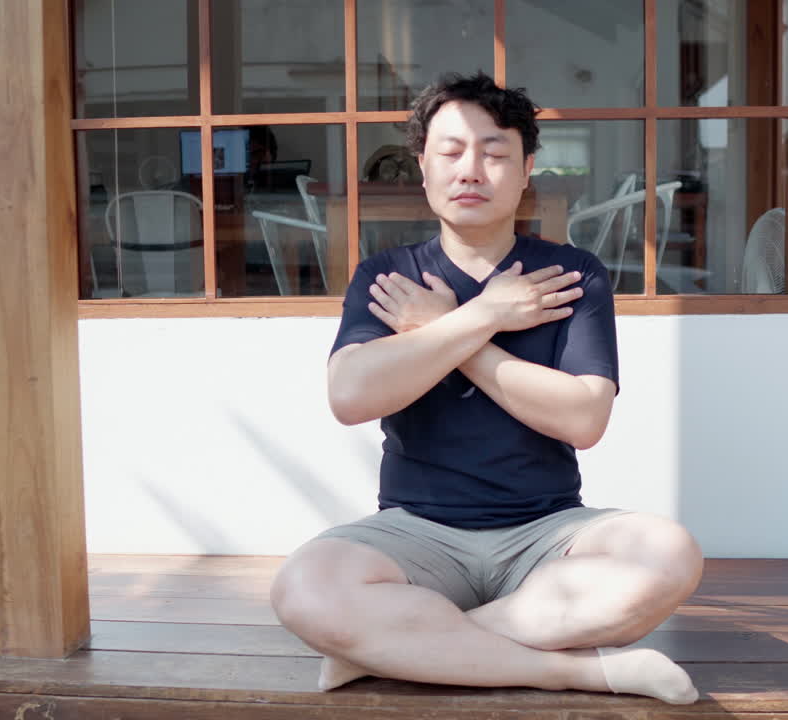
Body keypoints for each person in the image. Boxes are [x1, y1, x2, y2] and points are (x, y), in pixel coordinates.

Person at [270, 72, 703, 704]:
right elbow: (351, 397)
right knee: (303, 588)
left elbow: (584, 419)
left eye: (494, 154)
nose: (470, 170)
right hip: (414, 534)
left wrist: (453, 332)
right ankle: (583, 672)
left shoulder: (570, 275)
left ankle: (402, 647)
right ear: (423, 168)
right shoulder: (389, 277)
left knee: (670, 553)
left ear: (526, 170)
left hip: (547, 534)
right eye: (450, 152)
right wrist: (485, 314)